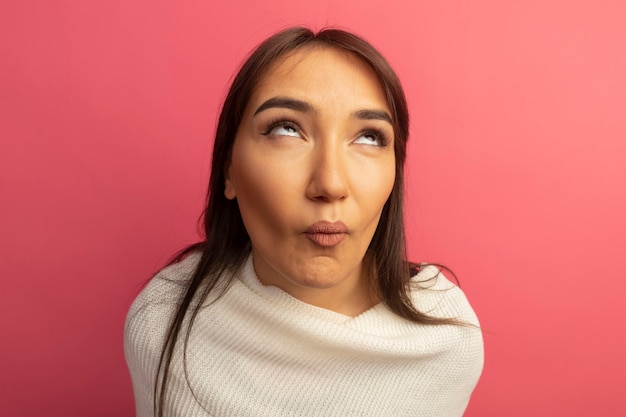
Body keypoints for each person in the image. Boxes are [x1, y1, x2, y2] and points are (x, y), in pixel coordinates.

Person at [124, 26, 483, 417]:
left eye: (369, 137)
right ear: (229, 169)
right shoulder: (164, 318)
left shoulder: (446, 337)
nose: (330, 183)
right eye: (286, 129)